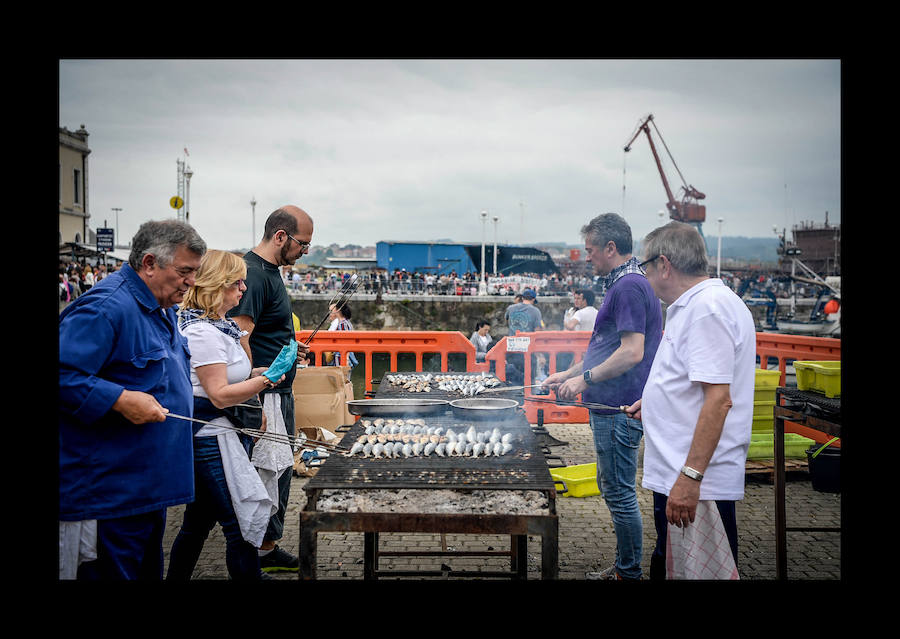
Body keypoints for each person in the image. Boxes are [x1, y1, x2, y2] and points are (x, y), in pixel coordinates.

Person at [58, 219, 207, 580]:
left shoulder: (164, 307)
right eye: (184, 271)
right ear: (150, 263)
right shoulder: (107, 307)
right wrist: (121, 398)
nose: (191, 282)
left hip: (146, 493)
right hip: (108, 495)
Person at [627, 222, 755, 580]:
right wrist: (653, 403)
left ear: (664, 265)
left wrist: (690, 478)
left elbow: (718, 401)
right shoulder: (695, 306)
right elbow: (693, 384)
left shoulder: (707, 310)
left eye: (646, 268)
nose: (646, 277)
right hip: (681, 476)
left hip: (695, 483)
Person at [541, 212, 663, 581]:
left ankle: (629, 572)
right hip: (613, 404)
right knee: (615, 490)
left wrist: (584, 382)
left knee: (619, 493)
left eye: (590, 249)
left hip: (617, 407)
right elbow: (607, 347)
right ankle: (626, 566)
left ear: (611, 247)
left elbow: (631, 352)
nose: (587, 256)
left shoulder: (626, 287)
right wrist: (568, 374)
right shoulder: (629, 282)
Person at [166, 250, 286, 581]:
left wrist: (265, 370)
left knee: (197, 524)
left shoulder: (218, 326)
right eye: (237, 283)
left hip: (220, 435)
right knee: (240, 524)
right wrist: (265, 380)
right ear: (219, 286)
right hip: (210, 439)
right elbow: (218, 395)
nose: (244, 289)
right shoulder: (202, 333)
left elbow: (228, 377)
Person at [227, 205, 313, 573]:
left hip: (278, 388)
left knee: (278, 473)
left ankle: (267, 545)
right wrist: (254, 395)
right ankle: (258, 549)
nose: (304, 251)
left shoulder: (272, 272)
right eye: (302, 244)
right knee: (267, 472)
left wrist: (293, 348)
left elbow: (267, 331)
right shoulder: (254, 275)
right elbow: (241, 335)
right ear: (281, 236)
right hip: (267, 394)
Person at [504, 288, 543, 385]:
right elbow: (537, 333)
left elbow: (507, 322)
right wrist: (539, 354)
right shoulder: (536, 311)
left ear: (522, 298)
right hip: (527, 349)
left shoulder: (510, 308)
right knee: (530, 378)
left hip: (511, 348)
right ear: (533, 299)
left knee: (513, 379)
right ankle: (529, 398)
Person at [325, 302, 359, 372]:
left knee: (341, 376)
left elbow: (344, 341)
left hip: (341, 355)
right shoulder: (346, 322)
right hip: (343, 354)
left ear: (338, 310)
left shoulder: (343, 324)